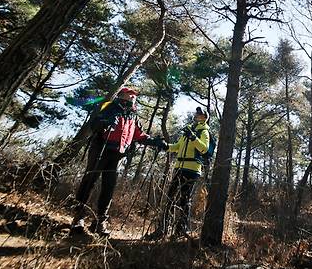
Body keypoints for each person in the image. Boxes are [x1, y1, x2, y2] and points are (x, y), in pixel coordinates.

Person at [71, 87, 166, 235]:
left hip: (118, 155)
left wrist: (156, 142)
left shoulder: (132, 115)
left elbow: (139, 135)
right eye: (130, 95)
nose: (133, 97)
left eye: (135, 96)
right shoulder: (108, 106)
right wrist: (104, 122)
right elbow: (94, 124)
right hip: (101, 148)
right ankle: (78, 217)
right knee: (90, 180)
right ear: (122, 95)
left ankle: (100, 222)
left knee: (109, 187)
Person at [146, 107, 210, 240]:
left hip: (192, 170)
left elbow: (204, 149)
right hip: (179, 168)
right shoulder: (188, 131)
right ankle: (162, 230)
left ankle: (180, 231)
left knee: (184, 200)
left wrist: (193, 137)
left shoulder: (204, 132)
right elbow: (176, 147)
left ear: (205, 118)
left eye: (200, 114)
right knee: (170, 198)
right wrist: (165, 146)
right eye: (196, 113)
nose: (197, 115)